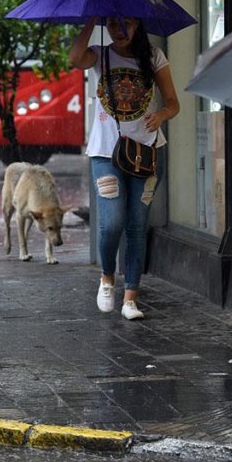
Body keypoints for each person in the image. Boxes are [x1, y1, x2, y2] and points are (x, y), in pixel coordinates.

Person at [69, 16, 179, 320]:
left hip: (147, 152)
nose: (118, 31)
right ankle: (107, 276)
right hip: (106, 152)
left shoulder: (154, 56)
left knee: (135, 225)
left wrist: (161, 116)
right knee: (111, 222)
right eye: (112, 24)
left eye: (125, 24)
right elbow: (75, 58)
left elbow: (173, 102)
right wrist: (92, 20)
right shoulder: (100, 54)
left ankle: (130, 298)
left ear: (138, 25)